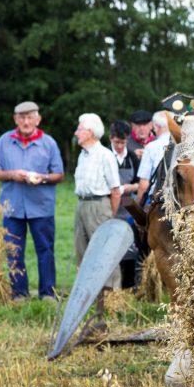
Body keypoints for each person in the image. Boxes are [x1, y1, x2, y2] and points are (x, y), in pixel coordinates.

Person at [0, 101, 65, 301]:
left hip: (41, 207)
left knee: (45, 250)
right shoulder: (4, 141)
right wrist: (12, 174)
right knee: (13, 251)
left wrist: (43, 178)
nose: (26, 121)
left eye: (30, 117)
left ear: (38, 120)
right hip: (12, 207)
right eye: (21, 117)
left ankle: (48, 293)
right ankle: (18, 293)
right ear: (15, 119)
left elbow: (59, 174)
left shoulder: (48, 143)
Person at [73, 113, 122, 296]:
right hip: (82, 204)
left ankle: (111, 296)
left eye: (80, 129)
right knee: (82, 250)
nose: (76, 133)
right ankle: (88, 294)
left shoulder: (105, 155)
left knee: (104, 250)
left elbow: (115, 190)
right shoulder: (82, 156)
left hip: (99, 205)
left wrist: (109, 216)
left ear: (90, 132)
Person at [109, 120, 147, 289]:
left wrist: (123, 188)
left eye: (123, 142)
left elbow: (140, 183)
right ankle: (111, 287)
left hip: (127, 209)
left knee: (130, 250)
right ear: (111, 139)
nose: (120, 146)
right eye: (117, 142)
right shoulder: (105, 156)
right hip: (110, 208)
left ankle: (129, 286)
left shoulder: (131, 156)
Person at [137, 110, 172, 206]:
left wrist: (139, 207)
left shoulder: (151, 147)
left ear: (155, 126)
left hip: (156, 202)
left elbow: (144, 183)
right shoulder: (183, 146)